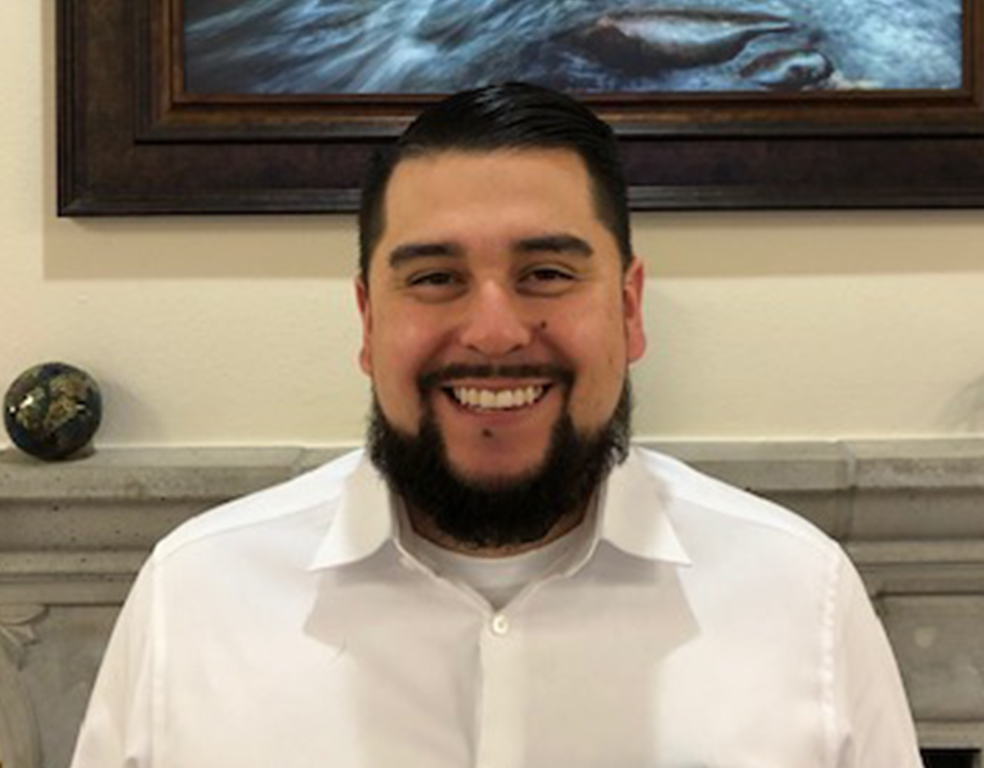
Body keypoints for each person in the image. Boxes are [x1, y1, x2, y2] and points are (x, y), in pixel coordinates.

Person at [70, 83, 923, 768]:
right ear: (367, 321)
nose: (494, 332)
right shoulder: (195, 595)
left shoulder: (799, 593)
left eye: (546, 272)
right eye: (434, 278)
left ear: (629, 309)